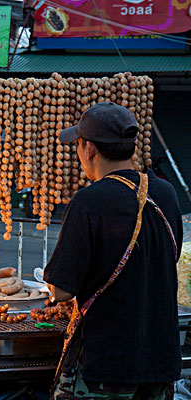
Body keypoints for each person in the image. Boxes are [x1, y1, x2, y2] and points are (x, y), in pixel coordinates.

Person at [44, 102, 182, 399]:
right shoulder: (166, 194)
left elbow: (62, 291)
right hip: (159, 361)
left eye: (78, 144)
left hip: (107, 365)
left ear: (90, 149)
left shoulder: (89, 202)